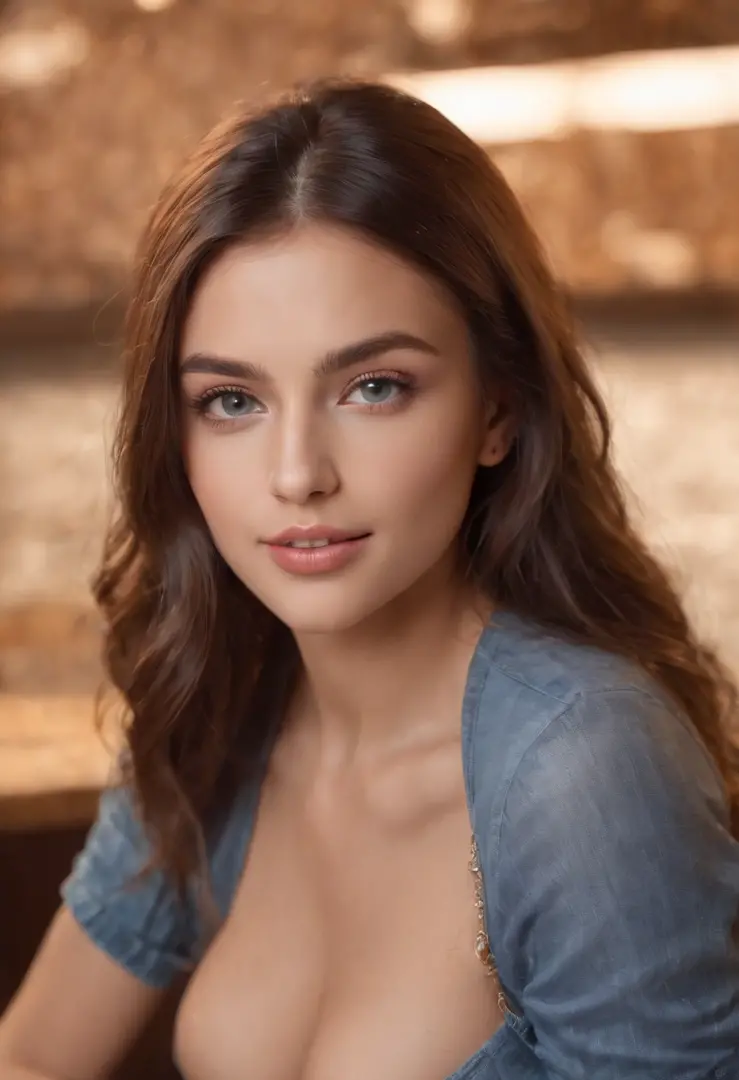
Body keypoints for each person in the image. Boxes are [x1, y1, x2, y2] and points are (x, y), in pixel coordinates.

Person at [1, 79, 738, 1080]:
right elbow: (34, 1054)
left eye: (373, 387)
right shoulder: (217, 706)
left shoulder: (584, 768)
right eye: (230, 401)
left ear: (498, 411)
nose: (299, 472)